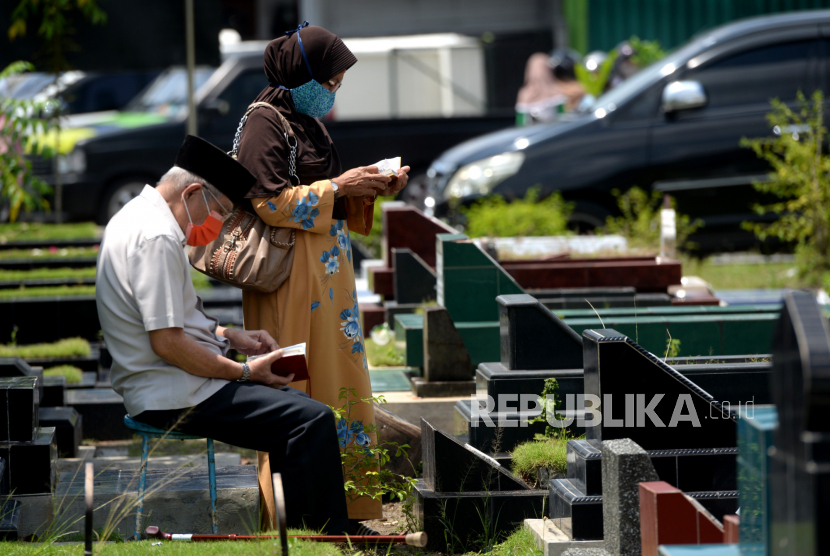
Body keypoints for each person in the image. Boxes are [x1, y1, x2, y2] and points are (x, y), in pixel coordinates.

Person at [95, 135, 351, 535]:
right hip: (171, 391)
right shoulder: (156, 237)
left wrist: (231, 335)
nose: (217, 227)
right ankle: (321, 534)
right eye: (221, 213)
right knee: (308, 419)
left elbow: (166, 321)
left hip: (174, 379)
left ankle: (310, 532)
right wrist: (247, 372)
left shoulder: (137, 217)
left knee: (300, 409)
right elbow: (167, 342)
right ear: (194, 192)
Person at [235, 22, 409, 528]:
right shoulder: (264, 122)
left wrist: (370, 188)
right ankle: (294, 515)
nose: (333, 90)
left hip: (329, 280)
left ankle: (343, 508)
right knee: (295, 391)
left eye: (337, 82)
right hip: (288, 282)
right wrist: (341, 184)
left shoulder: (307, 121)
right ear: (303, 72)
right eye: (329, 80)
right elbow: (268, 202)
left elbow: (327, 197)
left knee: (340, 385)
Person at [515, 51, 585, 126]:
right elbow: (562, 117)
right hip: (551, 132)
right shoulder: (556, 90)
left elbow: (521, 123)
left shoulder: (524, 94)